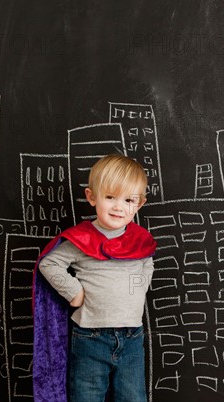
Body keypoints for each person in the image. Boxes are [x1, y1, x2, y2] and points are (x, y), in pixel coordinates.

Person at [32, 154, 156, 402]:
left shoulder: (140, 240)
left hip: (132, 336)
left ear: (139, 204)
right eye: (110, 197)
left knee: (133, 397)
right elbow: (49, 263)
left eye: (128, 200)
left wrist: (134, 293)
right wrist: (74, 293)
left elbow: (145, 264)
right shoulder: (81, 239)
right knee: (86, 396)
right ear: (91, 197)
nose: (119, 207)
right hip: (90, 336)